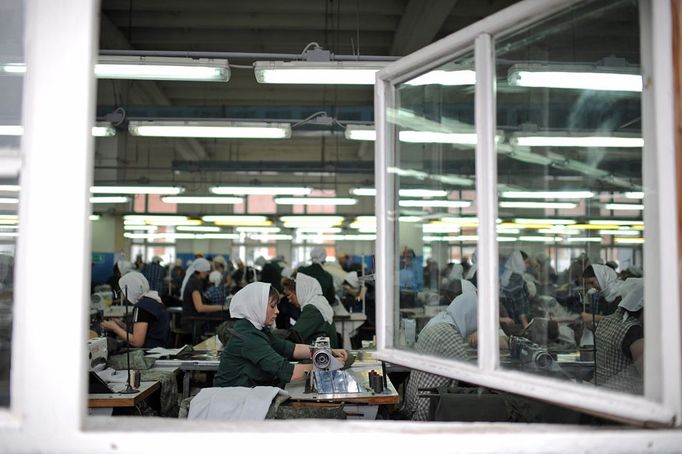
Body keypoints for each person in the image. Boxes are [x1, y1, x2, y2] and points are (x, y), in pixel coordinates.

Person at [213, 282, 347, 388]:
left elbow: (291, 349)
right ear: (256, 306)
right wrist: (327, 365)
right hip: (232, 401)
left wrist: (328, 352)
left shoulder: (257, 329)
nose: (277, 311)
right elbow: (288, 372)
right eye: (272, 307)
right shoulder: (248, 337)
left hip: (246, 393)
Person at [401, 291, 478, 421]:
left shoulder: (438, 322)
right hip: (428, 409)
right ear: (469, 315)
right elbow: (470, 375)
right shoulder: (447, 333)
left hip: (416, 400)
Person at [594, 279, 644, 394]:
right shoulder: (633, 331)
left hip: (603, 395)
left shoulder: (606, 320)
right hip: (626, 399)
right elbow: (650, 377)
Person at [101, 272, 170, 348]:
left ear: (131, 289)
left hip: (149, 353)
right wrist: (123, 326)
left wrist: (114, 328)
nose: (123, 294)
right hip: (161, 349)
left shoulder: (142, 307)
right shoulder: (154, 301)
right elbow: (147, 330)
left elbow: (137, 342)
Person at [289, 273, 339, 347]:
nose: (290, 300)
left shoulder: (312, 309)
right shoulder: (319, 303)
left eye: (291, 295)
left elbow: (296, 335)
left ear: (301, 292)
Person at [181, 258, 225, 332]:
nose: (208, 273)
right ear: (200, 271)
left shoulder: (195, 281)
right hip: (192, 321)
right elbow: (200, 308)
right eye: (206, 271)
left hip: (193, 318)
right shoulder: (194, 284)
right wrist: (221, 307)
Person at [500, 250, 531, 328]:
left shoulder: (505, 276)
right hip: (516, 322)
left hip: (507, 321)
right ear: (519, 262)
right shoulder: (518, 279)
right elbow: (520, 305)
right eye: (526, 262)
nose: (528, 265)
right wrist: (526, 326)